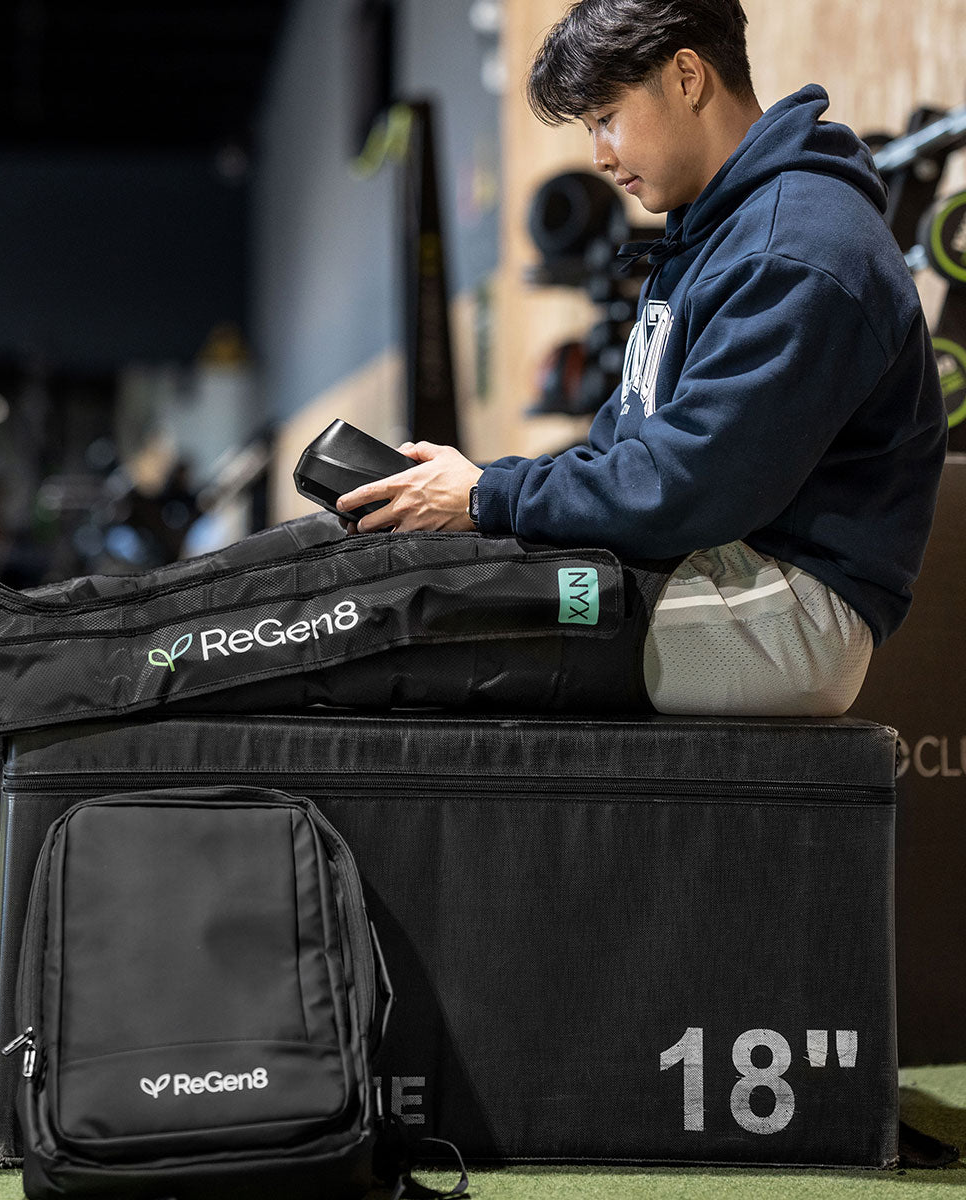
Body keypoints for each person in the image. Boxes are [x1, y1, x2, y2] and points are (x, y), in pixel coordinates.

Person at [336, 0, 947, 716]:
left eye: (606, 118)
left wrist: (483, 497)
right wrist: (477, 492)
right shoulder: (706, 234)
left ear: (687, 77)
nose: (599, 156)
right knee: (411, 574)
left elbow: (685, 487)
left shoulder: (797, 246)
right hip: (714, 560)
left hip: (792, 610)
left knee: (423, 616)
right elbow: (621, 451)